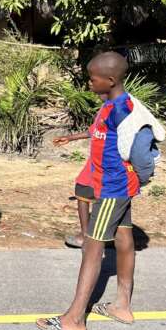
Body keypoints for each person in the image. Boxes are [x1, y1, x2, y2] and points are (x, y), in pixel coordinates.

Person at [37, 52, 163, 330]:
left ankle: (74, 319)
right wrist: (74, 137)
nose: (89, 83)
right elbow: (100, 134)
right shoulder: (110, 104)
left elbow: (143, 150)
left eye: (92, 79)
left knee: (92, 248)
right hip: (116, 186)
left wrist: (139, 177)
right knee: (124, 238)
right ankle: (122, 307)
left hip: (112, 189)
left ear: (110, 80)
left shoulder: (124, 109)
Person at [54, 93, 109, 249]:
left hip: (107, 162)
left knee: (100, 195)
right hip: (95, 160)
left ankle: (92, 237)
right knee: (83, 189)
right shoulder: (105, 108)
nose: (93, 89)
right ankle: (89, 234)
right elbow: (94, 131)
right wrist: (70, 138)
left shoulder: (118, 109)